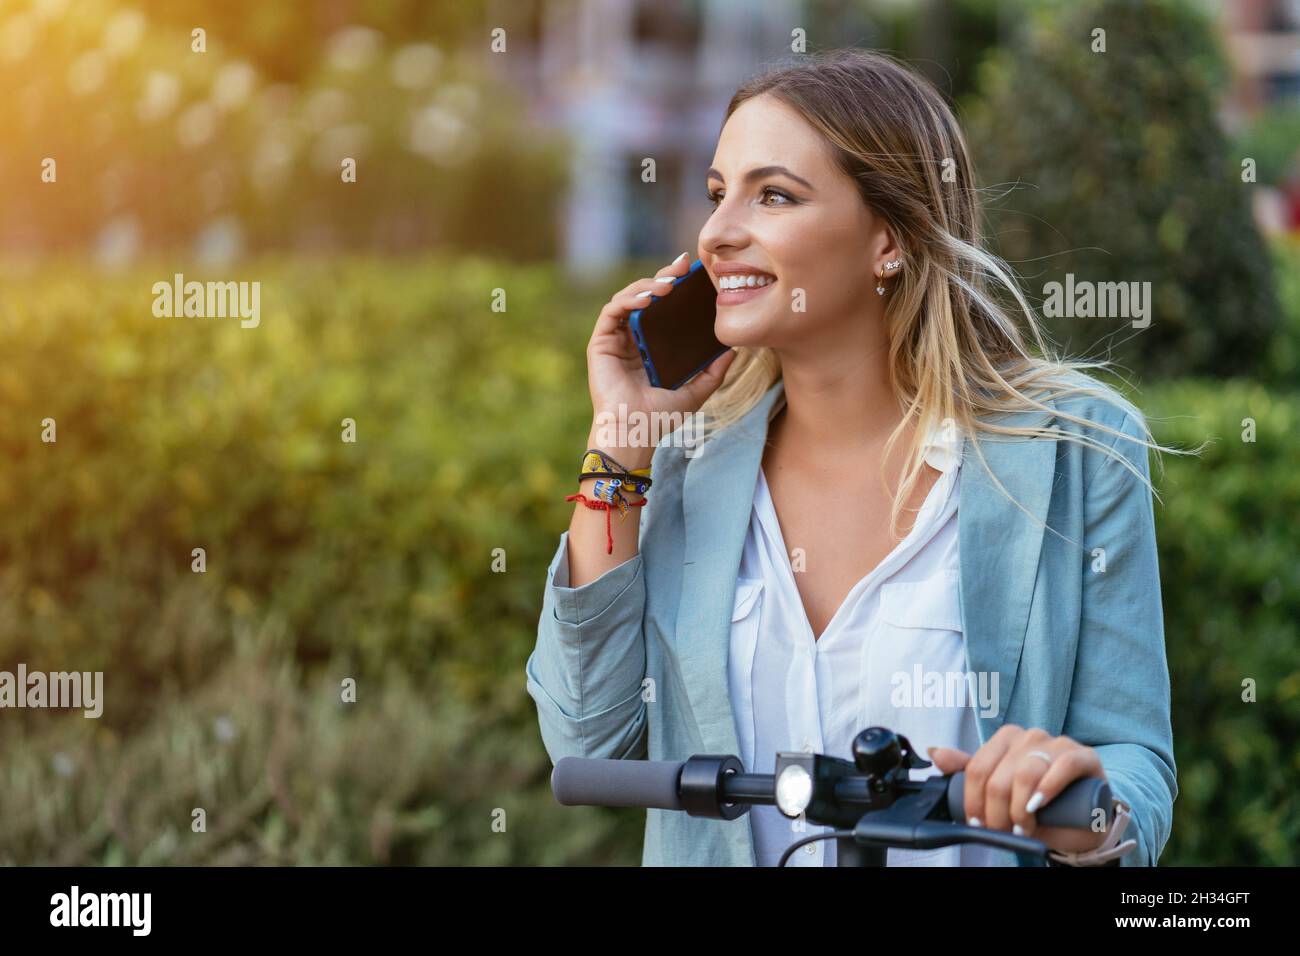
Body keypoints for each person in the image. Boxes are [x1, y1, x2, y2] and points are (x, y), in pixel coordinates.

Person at [525, 48, 1177, 867]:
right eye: (719, 194)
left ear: (889, 242)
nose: (719, 233)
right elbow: (589, 740)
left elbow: (1135, 770)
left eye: (774, 195)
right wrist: (617, 449)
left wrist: (1079, 813)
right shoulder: (685, 472)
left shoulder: (1073, 452)